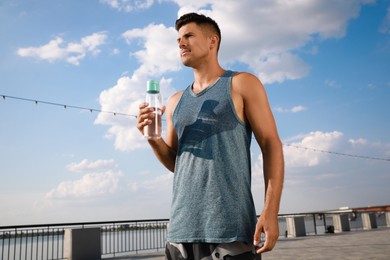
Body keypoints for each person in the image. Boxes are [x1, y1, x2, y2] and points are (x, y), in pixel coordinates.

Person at [137, 12, 284, 260]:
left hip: (231, 230)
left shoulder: (241, 83)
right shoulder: (174, 101)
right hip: (181, 232)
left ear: (212, 41)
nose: (181, 43)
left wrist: (270, 211)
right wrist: (153, 139)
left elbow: (271, 145)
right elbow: (176, 163)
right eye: (178, 39)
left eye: (189, 36)